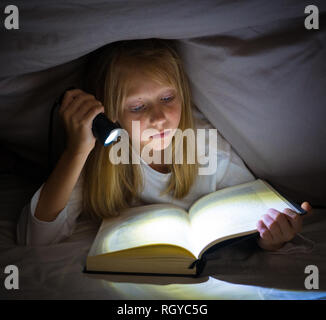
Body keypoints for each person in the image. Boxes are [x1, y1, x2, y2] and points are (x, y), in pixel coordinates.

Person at [16, 38, 312, 250]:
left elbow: (255, 211)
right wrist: (77, 150)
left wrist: (269, 237)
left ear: (182, 94)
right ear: (109, 113)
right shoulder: (101, 156)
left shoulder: (205, 146)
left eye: (167, 99)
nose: (159, 118)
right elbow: (36, 237)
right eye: (137, 107)